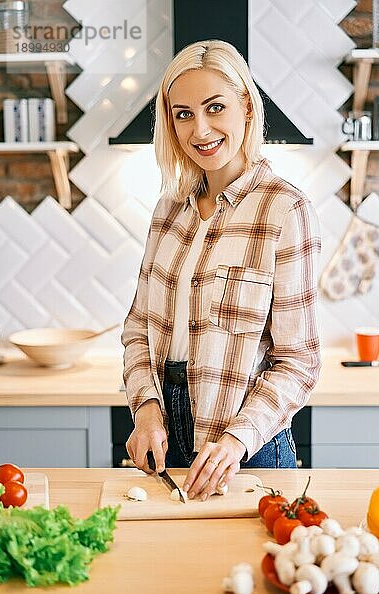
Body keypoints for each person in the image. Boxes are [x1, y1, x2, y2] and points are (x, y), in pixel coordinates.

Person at [121, 39, 321, 501]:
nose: (200, 129)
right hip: (167, 442)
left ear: (246, 108)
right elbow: (138, 328)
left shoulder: (284, 209)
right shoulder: (169, 209)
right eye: (183, 113)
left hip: (247, 447)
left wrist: (235, 440)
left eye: (215, 108)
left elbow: (299, 362)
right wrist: (146, 409)